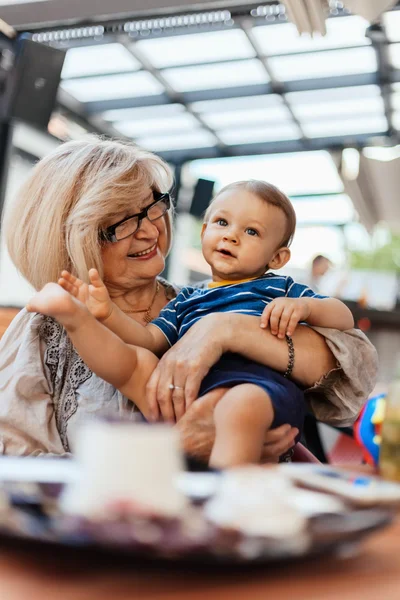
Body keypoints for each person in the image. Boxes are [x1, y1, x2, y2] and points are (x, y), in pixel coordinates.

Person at [0, 138, 377, 460]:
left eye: (152, 207)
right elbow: (14, 462)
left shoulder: (197, 301)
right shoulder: (41, 330)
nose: (149, 230)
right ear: (72, 239)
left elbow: (352, 366)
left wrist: (225, 329)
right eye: (123, 221)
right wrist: (180, 448)